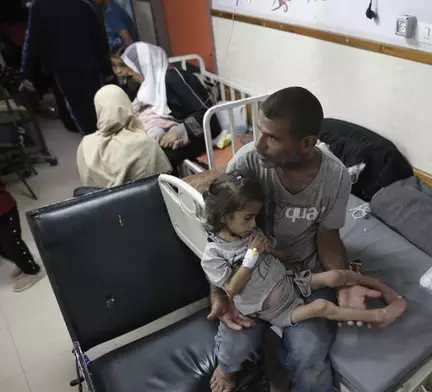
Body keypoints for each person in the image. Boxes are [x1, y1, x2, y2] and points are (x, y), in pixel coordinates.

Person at [209, 87, 380, 392]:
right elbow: (222, 231)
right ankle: (232, 369)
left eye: (272, 138)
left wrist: (345, 283)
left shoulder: (335, 176)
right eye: (259, 131)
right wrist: (220, 293)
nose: (257, 143)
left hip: (304, 276)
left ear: (307, 143)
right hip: (252, 273)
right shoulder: (248, 162)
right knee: (236, 337)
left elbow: (328, 235)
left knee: (308, 353)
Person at [202, 173, 406, 330]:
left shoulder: (249, 232)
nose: (254, 223)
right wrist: (251, 255)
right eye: (248, 217)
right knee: (322, 307)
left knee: (336, 275)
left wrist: (272, 251)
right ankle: (381, 316)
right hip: (277, 310)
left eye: (255, 216)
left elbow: (277, 256)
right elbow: (231, 289)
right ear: (223, 217)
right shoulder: (214, 255)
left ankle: (381, 286)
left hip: (290, 280)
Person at [119, 42, 220, 168]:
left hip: (199, 135)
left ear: (146, 66)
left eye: (132, 70)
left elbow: (207, 115)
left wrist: (178, 132)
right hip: (175, 132)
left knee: (153, 158)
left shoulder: (173, 78)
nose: (129, 74)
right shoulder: (154, 83)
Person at [21, 0, 112, 135]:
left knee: (79, 110)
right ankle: (108, 140)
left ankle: (93, 145)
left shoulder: (40, 7)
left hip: (63, 68)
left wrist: (25, 72)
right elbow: (99, 38)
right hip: (90, 65)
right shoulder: (83, 4)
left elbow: (33, 41)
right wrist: (107, 69)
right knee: (97, 106)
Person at [77, 85, 172, 188]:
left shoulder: (85, 144)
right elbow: (162, 184)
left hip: (99, 203)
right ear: (127, 106)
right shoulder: (143, 143)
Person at [0, 179, 45, 292]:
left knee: (11, 243)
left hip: (4, 211)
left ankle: (32, 270)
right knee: (4, 247)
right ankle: (23, 259)